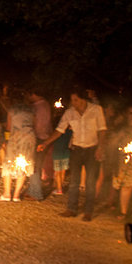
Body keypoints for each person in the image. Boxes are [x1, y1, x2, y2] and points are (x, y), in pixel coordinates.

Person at [37, 88, 106, 220]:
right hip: (76, 149)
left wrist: (100, 148)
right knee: (74, 181)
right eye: (72, 100)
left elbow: (102, 130)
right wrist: (46, 143)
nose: (74, 103)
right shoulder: (70, 113)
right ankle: (71, 209)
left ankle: (88, 211)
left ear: (83, 98)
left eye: (76, 100)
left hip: (92, 149)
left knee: (90, 182)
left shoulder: (96, 110)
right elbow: (59, 130)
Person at [0, 89, 36, 202]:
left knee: (9, 163)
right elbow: (34, 124)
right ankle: (16, 195)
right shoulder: (32, 110)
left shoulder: (12, 110)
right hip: (29, 138)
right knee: (24, 164)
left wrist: (6, 140)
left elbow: (9, 127)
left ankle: (6, 194)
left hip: (16, 138)